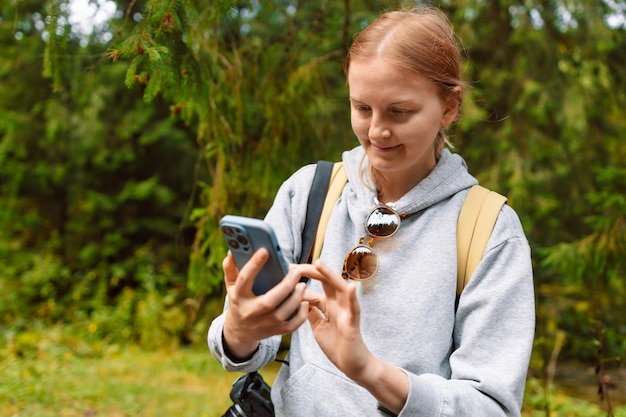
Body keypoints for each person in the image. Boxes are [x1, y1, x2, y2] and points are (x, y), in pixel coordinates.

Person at [209, 5, 535, 416]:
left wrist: (369, 371)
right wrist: (239, 329)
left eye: (399, 112)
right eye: (362, 108)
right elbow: (243, 348)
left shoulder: (488, 231)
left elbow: (492, 407)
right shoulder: (310, 192)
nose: (377, 131)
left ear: (449, 107)